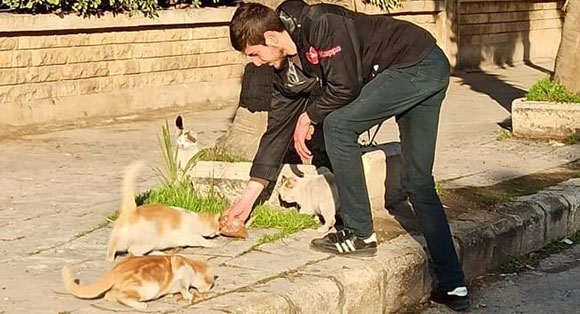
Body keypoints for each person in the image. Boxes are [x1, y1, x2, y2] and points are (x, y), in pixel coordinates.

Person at [223, 1, 469, 310]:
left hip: (416, 63)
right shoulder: (286, 72)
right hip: (424, 69)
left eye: (253, 54)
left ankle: (359, 233)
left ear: (271, 38)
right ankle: (454, 285)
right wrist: (246, 201)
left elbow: (346, 86)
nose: (255, 63)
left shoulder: (319, 22)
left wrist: (309, 115)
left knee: (338, 126)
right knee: (417, 182)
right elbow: (276, 132)